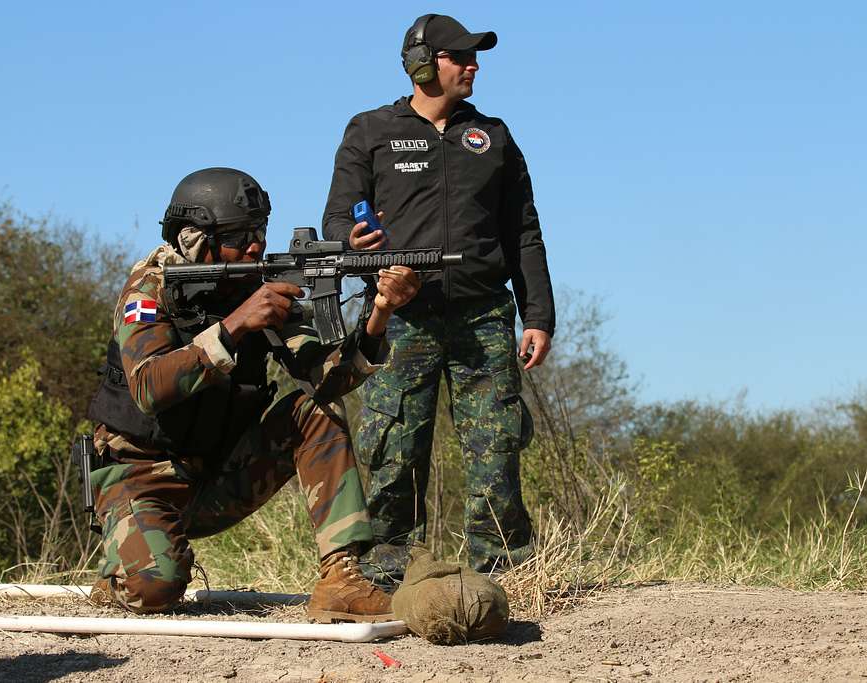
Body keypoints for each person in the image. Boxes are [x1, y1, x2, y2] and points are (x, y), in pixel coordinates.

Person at [86, 167, 420, 621]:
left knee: (314, 409)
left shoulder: (258, 288)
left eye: (259, 231)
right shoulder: (151, 289)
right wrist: (235, 325)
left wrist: (380, 311)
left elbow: (328, 378)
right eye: (240, 235)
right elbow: (147, 387)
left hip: (219, 475)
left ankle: (343, 577)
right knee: (155, 589)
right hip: (141, 476)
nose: (255, 246)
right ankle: (120, 572)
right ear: (194, 240)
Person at [321, 14, 556, 579]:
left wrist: (538, 315)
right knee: (392, 448)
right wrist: (351, 240)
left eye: (475, 57)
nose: (473, 65)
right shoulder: (370, 130)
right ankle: (387, 572)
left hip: (484, 316)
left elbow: (523, 231)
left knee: (496, 447)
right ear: (423, 63)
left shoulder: (494, 137)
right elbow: (334, 221)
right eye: (460, 56)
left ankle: (503, 572)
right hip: (402, 317)